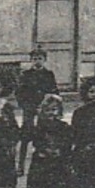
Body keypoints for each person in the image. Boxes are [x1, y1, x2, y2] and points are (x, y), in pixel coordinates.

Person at [24, 94, 75, 188]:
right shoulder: (39, 128)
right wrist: (44, 150)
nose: (51, 113)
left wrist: (61, 150)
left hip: (59, 162)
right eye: (48, 110)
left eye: (54, 109)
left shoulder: (64, 127)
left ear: (59, 111)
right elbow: (36, 141)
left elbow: (68, 142)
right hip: (43, 161)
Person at [15, 48, 59, 176]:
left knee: (43, 137)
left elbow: (54, 91)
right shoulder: (26, 75)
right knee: (25, 138)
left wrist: (48, 105)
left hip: (44, 110)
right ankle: (20, 166)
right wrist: (26, 106)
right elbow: (19, 93)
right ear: (31, 60)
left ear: (45, 60)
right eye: (35, 59)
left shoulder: (49, 74)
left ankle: (42, 167)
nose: (37, 61)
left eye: (40, 59)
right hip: (29, 110)